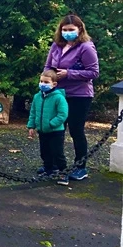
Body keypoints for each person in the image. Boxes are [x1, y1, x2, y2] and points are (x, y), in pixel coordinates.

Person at [44, 14, 99, 185]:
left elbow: (93, 72)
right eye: (64, 30)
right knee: (56, 130)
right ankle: (54, 165)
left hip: (79, 95)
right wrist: (47, 78)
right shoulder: (56, 46)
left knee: (76, 130)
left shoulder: (86, 48)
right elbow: (48, 66)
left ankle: (80, 167)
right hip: (58, 93)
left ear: (79, 29)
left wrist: (69, 73)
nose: (67, 33)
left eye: (71, 30)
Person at [27, 69, 68, 177]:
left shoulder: (58, 98)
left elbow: (62, 114)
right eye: (41, 81)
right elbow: (33, 112)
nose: (42, 84)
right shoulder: (37, 97)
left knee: (57, 153)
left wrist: (51, 123)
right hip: (42, 130)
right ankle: (48, 169)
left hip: (55, 131)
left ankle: (63, 172)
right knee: (45, 152)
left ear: (54, 84)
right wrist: (31, 126)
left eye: (46, 82)